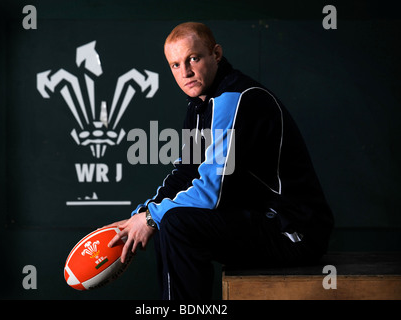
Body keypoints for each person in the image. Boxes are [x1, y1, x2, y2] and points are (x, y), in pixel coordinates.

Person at [108, 22, 334, 300]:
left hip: (293, 231)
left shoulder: (234, 99)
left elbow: (211, 192)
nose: (185, 72)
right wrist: (138, 216)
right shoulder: (201, 104)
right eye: (175, 65)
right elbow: (186, 173)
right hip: (259, 220)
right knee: (170, 220)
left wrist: (152, 218)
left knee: (176, 223)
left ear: (216, 54)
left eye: (193, 58)